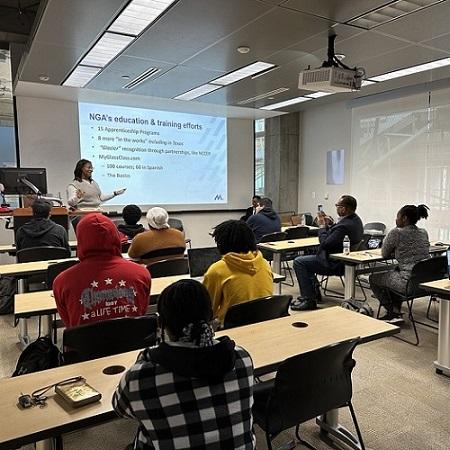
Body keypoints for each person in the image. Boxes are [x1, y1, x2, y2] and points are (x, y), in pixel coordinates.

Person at [113, 279, 256, 450]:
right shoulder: (241, 358)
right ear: (210, 316)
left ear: (160, 324)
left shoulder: (140, 376)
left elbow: (121, 410)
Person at [53, 213, 150, 327]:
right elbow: (141, 312)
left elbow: (70, 324)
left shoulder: (62, 282)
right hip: (134, 343)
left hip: (85, 344)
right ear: (115, 236)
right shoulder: (141, 274)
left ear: (81, 239)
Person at [291, 195, 364, 311]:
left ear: (344, 209)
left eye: (337, 206)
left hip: (335, 263)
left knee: (299, 262)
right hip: (344, 260)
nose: (336, 208)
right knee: (305, 259)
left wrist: (321, 226)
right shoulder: (355, 220)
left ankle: (308, 299)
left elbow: (325, 243)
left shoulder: (344, 226)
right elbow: (335, 237)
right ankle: (314, 294)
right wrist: (330, 225)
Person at [203, 219, 273, 325]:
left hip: (231, 329)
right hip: (264, 323)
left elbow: (206, 310)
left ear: (221, 244)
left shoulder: (217, 270)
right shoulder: (264, 263)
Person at [370, 204, 430, 322]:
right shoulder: (423, 232)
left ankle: (393, 313)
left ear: (404, 218)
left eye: (397, 216)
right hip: (427, 282)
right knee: (393, 274)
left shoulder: (396, 232)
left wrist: (395, 251)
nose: (395, 219)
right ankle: (395, 311)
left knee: (374, 278)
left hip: (409, 283)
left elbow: (384, 253)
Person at [67, 159, 125, 230]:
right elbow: (70, 202)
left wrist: (115, 193)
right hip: (83, 216)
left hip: (97, 214)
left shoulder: (94, 183)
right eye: (88, 167)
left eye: (92, 168)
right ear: (81, 168)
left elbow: (101, 198)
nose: (91, 170)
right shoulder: (74, 185)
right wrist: (77, 197)